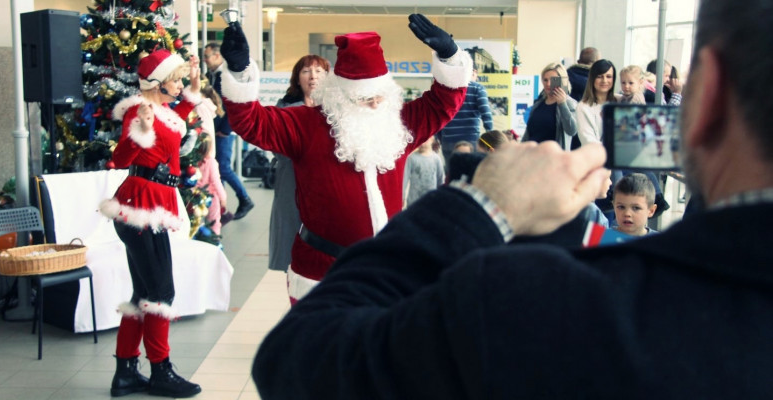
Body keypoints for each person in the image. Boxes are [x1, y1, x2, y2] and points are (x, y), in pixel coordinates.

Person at [251, 0, 773, 397]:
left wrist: (479, 207)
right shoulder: (307, 124)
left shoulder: (543, 299)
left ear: (705, 99)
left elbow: (302, 363)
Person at [217, 14, 472, 303]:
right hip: (321, 273)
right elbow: (252, 122)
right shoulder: (306, 124)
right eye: (364, 98)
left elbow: (444, 102)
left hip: (386, 267)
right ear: (339, 95)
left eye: (380, 95)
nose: (376, 104)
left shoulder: (398, 122)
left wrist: (450, 56)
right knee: (320, 347)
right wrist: (239, 72)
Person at [100, 49, 202, 398]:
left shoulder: (165, 111)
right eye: (175, 79)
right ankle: (161, 371)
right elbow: (120, 158)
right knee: (160, 293)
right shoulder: (138, 110)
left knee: (145, 293)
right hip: (139, 207)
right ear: (159, 83)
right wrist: (139, 131)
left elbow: (176, 123)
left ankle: (126, 372)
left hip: (152, 206)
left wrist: (193, 87)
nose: (179, 84)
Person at [270, 54, 330, 272]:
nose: (313, 76)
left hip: (327, 184)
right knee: (290, 245)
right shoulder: (284, 110)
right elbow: (277, 148)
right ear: (297, 79)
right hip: (292, 182)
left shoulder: (337, 110)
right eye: (306, 71)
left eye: (318, 71)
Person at [203, 42, 254, 220]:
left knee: (223, 167)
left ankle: (244, 198)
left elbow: (232, 104)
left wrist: (225, 130)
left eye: (207, 56)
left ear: (218, 56)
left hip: (223, 130)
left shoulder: (225, 76)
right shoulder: (211, 75)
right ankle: (221, 206)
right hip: (214, 129)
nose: (205, 60)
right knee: (217, 168)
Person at [436, 62, 494, 159]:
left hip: (448, 140)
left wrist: (439, 138)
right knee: (471, 171)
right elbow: (486, 113)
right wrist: (490, 137)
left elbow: (438, 116)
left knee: (451, 172)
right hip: (470, 141)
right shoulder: (478, 88)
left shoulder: (445, 89)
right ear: (473, 71)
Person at [522, 62, 578, 150]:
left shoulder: (570, 103)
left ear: (562, 81)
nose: (548, 84)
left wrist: (562, 104)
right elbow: (528, 134)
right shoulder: (538, 104)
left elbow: (572, 131)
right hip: (533, 157)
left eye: (553, 80)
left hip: (554, 159)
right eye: (545, 80)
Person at [576, 59, 618, 145]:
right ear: (592, 79)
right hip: (595, 156)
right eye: (599, 76)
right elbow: (588, 140)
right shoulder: (583, 107)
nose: (604, 81)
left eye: (609, 76)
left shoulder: (621, 101)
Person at [194, 132, 227, 235]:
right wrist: (223, 198)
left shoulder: (193, 162)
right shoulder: (211, 162)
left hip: (195, 196)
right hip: (210, 197)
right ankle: (214, 242)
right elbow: (216, 181)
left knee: (196, 222)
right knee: (214, 223)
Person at [403, 136, 445, 207]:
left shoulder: (436, 159)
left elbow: (440, 179)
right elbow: (404, 179)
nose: (422, 143)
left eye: (425, 140)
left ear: (432, 140)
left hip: (431, 200)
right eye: (419, 140)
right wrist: (402, 197)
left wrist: (441, 196)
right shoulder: (411, 158)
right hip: (414, 201)